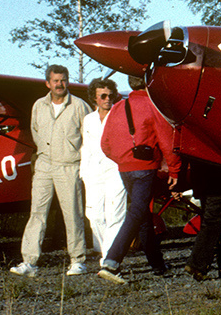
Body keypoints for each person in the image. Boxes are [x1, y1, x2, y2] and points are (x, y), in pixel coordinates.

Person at [11, 65, 91, 277]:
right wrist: (45, 155)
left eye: (63, 80)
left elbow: (90, 136)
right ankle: (29, 262)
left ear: (68, 81)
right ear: (48, 83)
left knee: (73, 213)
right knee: (37, 213)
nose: (59, 84)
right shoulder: (39, 106)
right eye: (55, 81)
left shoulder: (80, 106)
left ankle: (78, 260)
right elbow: (36, 132)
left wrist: (76, 158)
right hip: (45, 165)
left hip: (69, 165)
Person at [97, 82, 180, 284]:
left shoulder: (117, 107)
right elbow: (167, 141)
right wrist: (174, 169)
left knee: (142, 215)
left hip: (125, 168)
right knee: (137, 213)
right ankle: (112, 262)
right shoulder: (152, 105)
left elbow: (105, 144)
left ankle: (157, 264)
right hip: (145, 167)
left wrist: (123, 159)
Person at [80, 78, 126, 261]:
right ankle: (105, 250)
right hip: (93, 172)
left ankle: (109, 258)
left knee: (115, 214)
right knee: (94, 214)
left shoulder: (120, 115)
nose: (107, 99)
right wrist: (83, 173)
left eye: (110, 95)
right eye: (103, 96)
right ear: (95, 98)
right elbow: (86, 146)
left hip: (115, 169)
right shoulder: (89, 120)